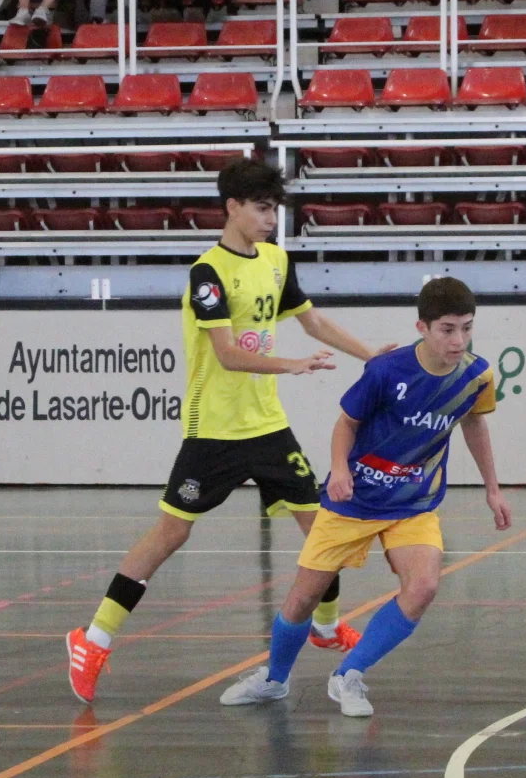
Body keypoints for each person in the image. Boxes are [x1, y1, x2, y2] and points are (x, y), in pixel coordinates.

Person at [65, 158, 390, 705]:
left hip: (268, 427)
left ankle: (326, 625)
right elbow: (228, 355)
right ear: (232, 207)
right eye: (261, 209)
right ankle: (92, 638)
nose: (270, 220)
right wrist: (291, 365)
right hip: (213, 430)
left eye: (274, 210)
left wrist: (370, 355)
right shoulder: (207, 274)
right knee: (171, 534)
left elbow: (312, 321)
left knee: (324, 531)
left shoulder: (276, 261)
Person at [220, 276, 512, 718]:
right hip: (355, 498)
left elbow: (474, 422)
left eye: (467, 328)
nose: (459, 340)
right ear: (422, 328)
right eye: (448, 329)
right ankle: (274, 679)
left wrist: (492, 488)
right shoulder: (386, 370)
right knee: (302, 600)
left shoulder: (477, 375)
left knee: (423, 586)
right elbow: (346, 423)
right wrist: (339, 469)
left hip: (413, 503)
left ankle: (349, 674)